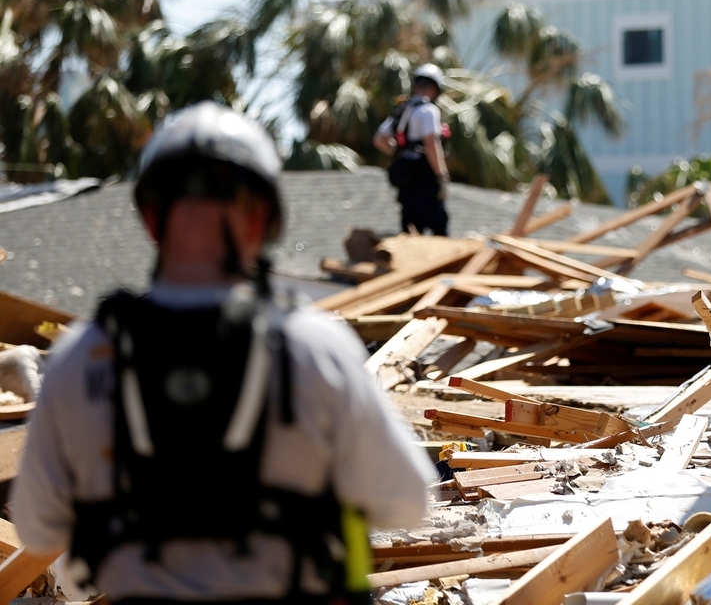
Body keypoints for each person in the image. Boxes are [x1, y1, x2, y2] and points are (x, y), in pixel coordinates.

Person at [12, 102, 437, 602]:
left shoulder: (82, 357)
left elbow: (38, 529)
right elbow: (408, 501)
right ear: (262, 221)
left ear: (151, 218)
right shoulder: (315, 347)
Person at [373, 64, 450, 236]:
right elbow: (431, 145)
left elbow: (379, 140)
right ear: (435, 89)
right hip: (425, 179)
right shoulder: (429, 110)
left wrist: (399, 153)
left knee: (410, 230)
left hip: (406, 178)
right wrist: (441, 175)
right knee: (440, 229)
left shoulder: (403, 109)